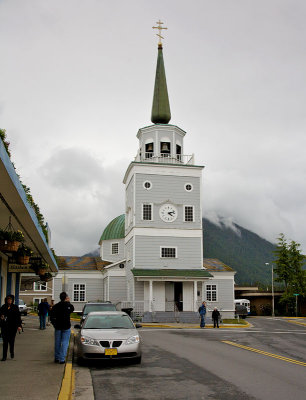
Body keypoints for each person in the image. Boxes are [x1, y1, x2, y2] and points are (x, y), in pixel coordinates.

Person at [50, 292, 74, 364]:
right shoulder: (68, 306)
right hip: (66, 326)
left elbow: (51, 317)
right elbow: (72, 309)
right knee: (65, 342)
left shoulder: (56, 306)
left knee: (57, 342)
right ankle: (62, 358)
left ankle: (56, 357)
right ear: (66, 298)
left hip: (58, 326)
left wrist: (54, 324)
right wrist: (68, 302)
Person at [0, 294, 22, 361]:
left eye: (10, 300)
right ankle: (4, 356)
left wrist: (19, 325)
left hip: (13, 327)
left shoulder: (15, 307)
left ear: (12, 301)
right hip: (5, 327)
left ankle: (11, 352)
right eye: (8, 300)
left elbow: (18, 317)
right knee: (5, 342)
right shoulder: (3, 307)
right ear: (6, 300)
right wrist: (1, 317)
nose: (9, 301)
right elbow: (0, 315)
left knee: (11, 341)